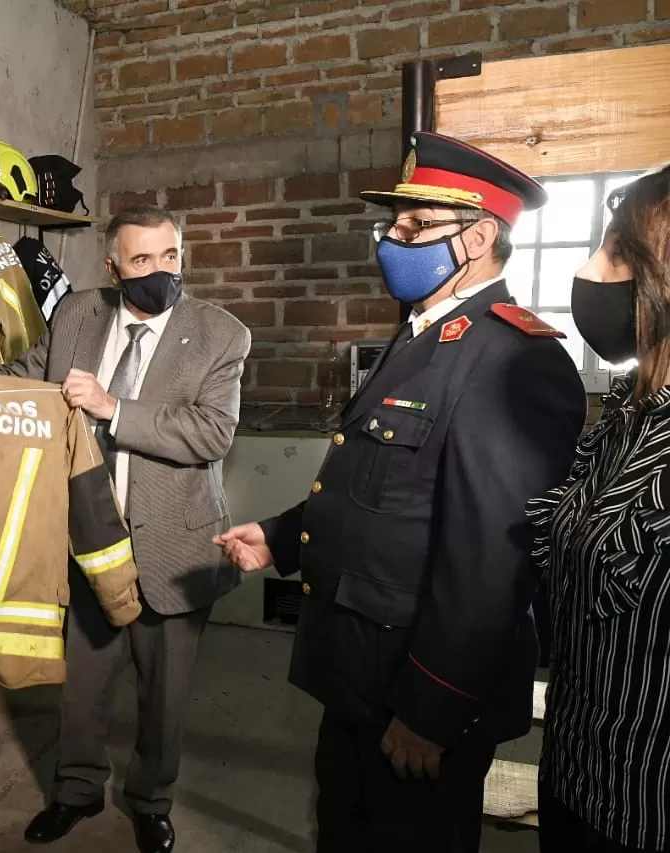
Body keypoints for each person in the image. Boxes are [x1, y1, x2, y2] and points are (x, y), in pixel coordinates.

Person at [215, 131, 588, 853]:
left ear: (479, 237)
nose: (393, 238)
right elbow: (379, 487)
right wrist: (285, 535)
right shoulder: (427, 332)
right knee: (345, 828)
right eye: (393, 222)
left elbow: (493, 558)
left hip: (418, 692)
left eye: (415, 225)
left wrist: (432, 707)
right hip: (360, 671)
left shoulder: (514, 360)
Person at [0, 204, 251, 853]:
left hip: (174, 546)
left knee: (163, 698)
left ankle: (150, 800)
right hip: (87, 541)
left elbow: (212, 433)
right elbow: (25, 380)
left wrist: (114, 408)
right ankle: (76, 790)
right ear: (113, 267)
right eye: (142, 261)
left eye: (170, 257)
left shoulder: (221, 334)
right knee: (82, 687)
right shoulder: (78, 313)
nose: (160, 271)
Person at [529, 163, 670, 853]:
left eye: (615, 250)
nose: (590, 270)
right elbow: (553, 530)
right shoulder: (625, 411)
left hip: (644, 809)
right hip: (575, 774)